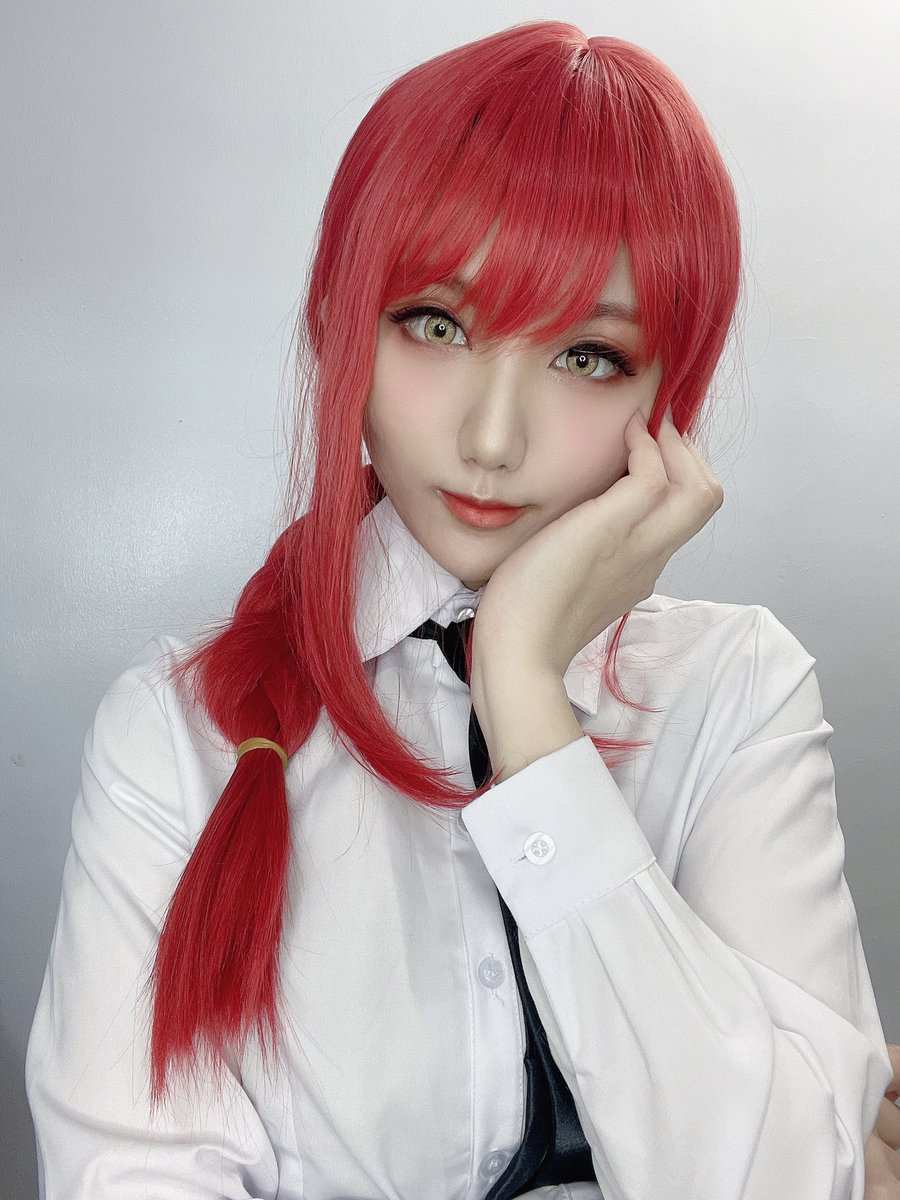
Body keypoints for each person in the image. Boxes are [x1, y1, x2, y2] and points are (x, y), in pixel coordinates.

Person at [25, 19, 900, 1200]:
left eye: (588, 355)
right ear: (338, 327)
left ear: (668, 394)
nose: (492, 439)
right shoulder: (175, 734)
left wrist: (526, 696)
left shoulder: (738, 690)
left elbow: (794, 1183)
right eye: (436, 325)